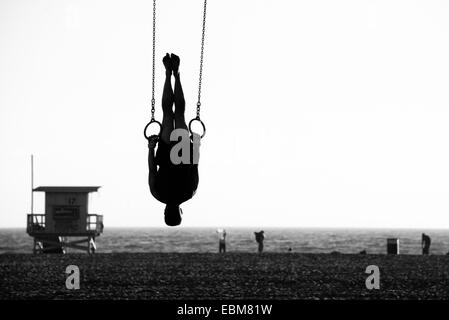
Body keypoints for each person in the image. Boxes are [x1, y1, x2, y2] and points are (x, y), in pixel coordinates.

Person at [148, 53, 201, 226]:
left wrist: (196, 143)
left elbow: (194, 165)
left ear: (180, 212)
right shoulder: (157, 194)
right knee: (167, 112)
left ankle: (176, 74)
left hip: (183, 153)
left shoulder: (190, 193)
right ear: (165, 212)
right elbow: (151, 168)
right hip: (165, 153)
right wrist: (150, 147)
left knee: (179, 112)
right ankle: (168, 74)